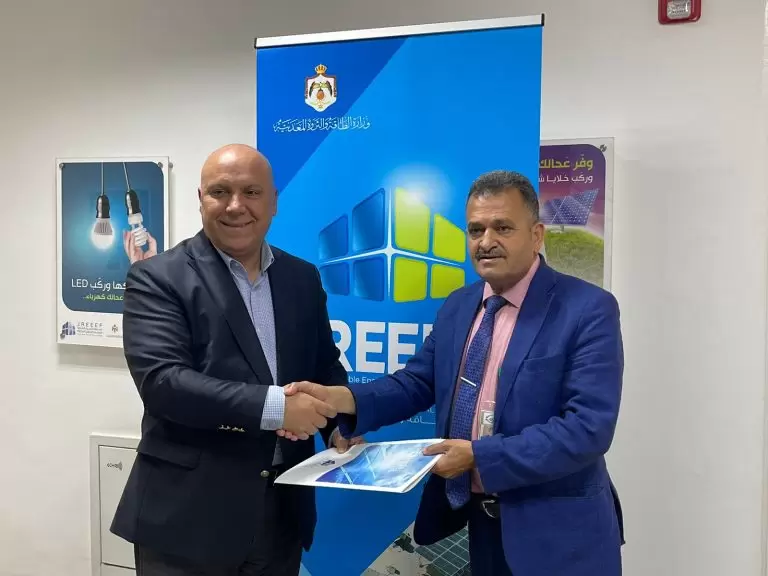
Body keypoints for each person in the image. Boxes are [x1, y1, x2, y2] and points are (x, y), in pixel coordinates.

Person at [284, 170, 625, 576]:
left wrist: (478, 457)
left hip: (558, 535)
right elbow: (418, 382)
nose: (486, 241)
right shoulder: (459, 305)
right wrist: (345, 399)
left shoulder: (588, 309)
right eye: (476, 229)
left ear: (536, 235)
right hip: (478, 525)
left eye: (503, 227)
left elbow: (587, 428)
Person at [110, 144, 359, 576]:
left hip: (281, 513)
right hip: (188, 520)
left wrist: (339, 425)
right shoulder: (156, 278)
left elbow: (324, 365)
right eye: (220, 192)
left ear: (274, 201)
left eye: (251, 192)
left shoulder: (301, 278)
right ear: (201, 198)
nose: (236, 206)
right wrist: (278, 407)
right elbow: (164, 383)